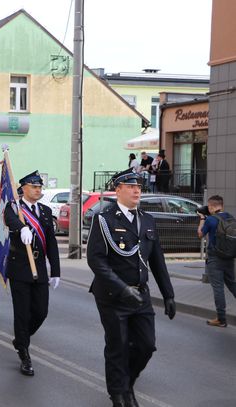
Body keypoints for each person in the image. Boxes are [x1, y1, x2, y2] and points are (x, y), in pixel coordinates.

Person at [87, 168, 176, 407]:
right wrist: (121, 289)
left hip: (141, 294)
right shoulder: (104, 219)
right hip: (113, 295)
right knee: (118, 346)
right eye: (131, 186)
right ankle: (118, 394)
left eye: (139, 187)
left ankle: (126, 384)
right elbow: (96, 260)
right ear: (118, 190)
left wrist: (168, 294)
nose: (137, 190)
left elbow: (157, 259)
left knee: (147, 345)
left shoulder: (147, 219)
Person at [4, 170, 61, 376]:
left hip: (39, 267)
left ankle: (21, 339)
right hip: (19, 268)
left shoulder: (45, 210)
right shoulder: (14, 208)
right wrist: (21, 228)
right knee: (22, 312)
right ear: (24, 189)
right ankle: (24, 353)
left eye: (40, 187)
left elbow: (52, 243)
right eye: (34, 187)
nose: (38, 190)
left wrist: (56, 271)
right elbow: (10, 219)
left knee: (41, 312)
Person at [197, 195, 236, 328]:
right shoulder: (231, 217)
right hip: (229, 257)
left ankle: (221, 319)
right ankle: (221, 318)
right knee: (232, 284)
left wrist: (202, 218)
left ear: (211, 207)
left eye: (209, 207)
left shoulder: (210, 220)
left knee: (218, 288)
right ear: (222, 206)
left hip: (215, 258)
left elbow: (200, 234)